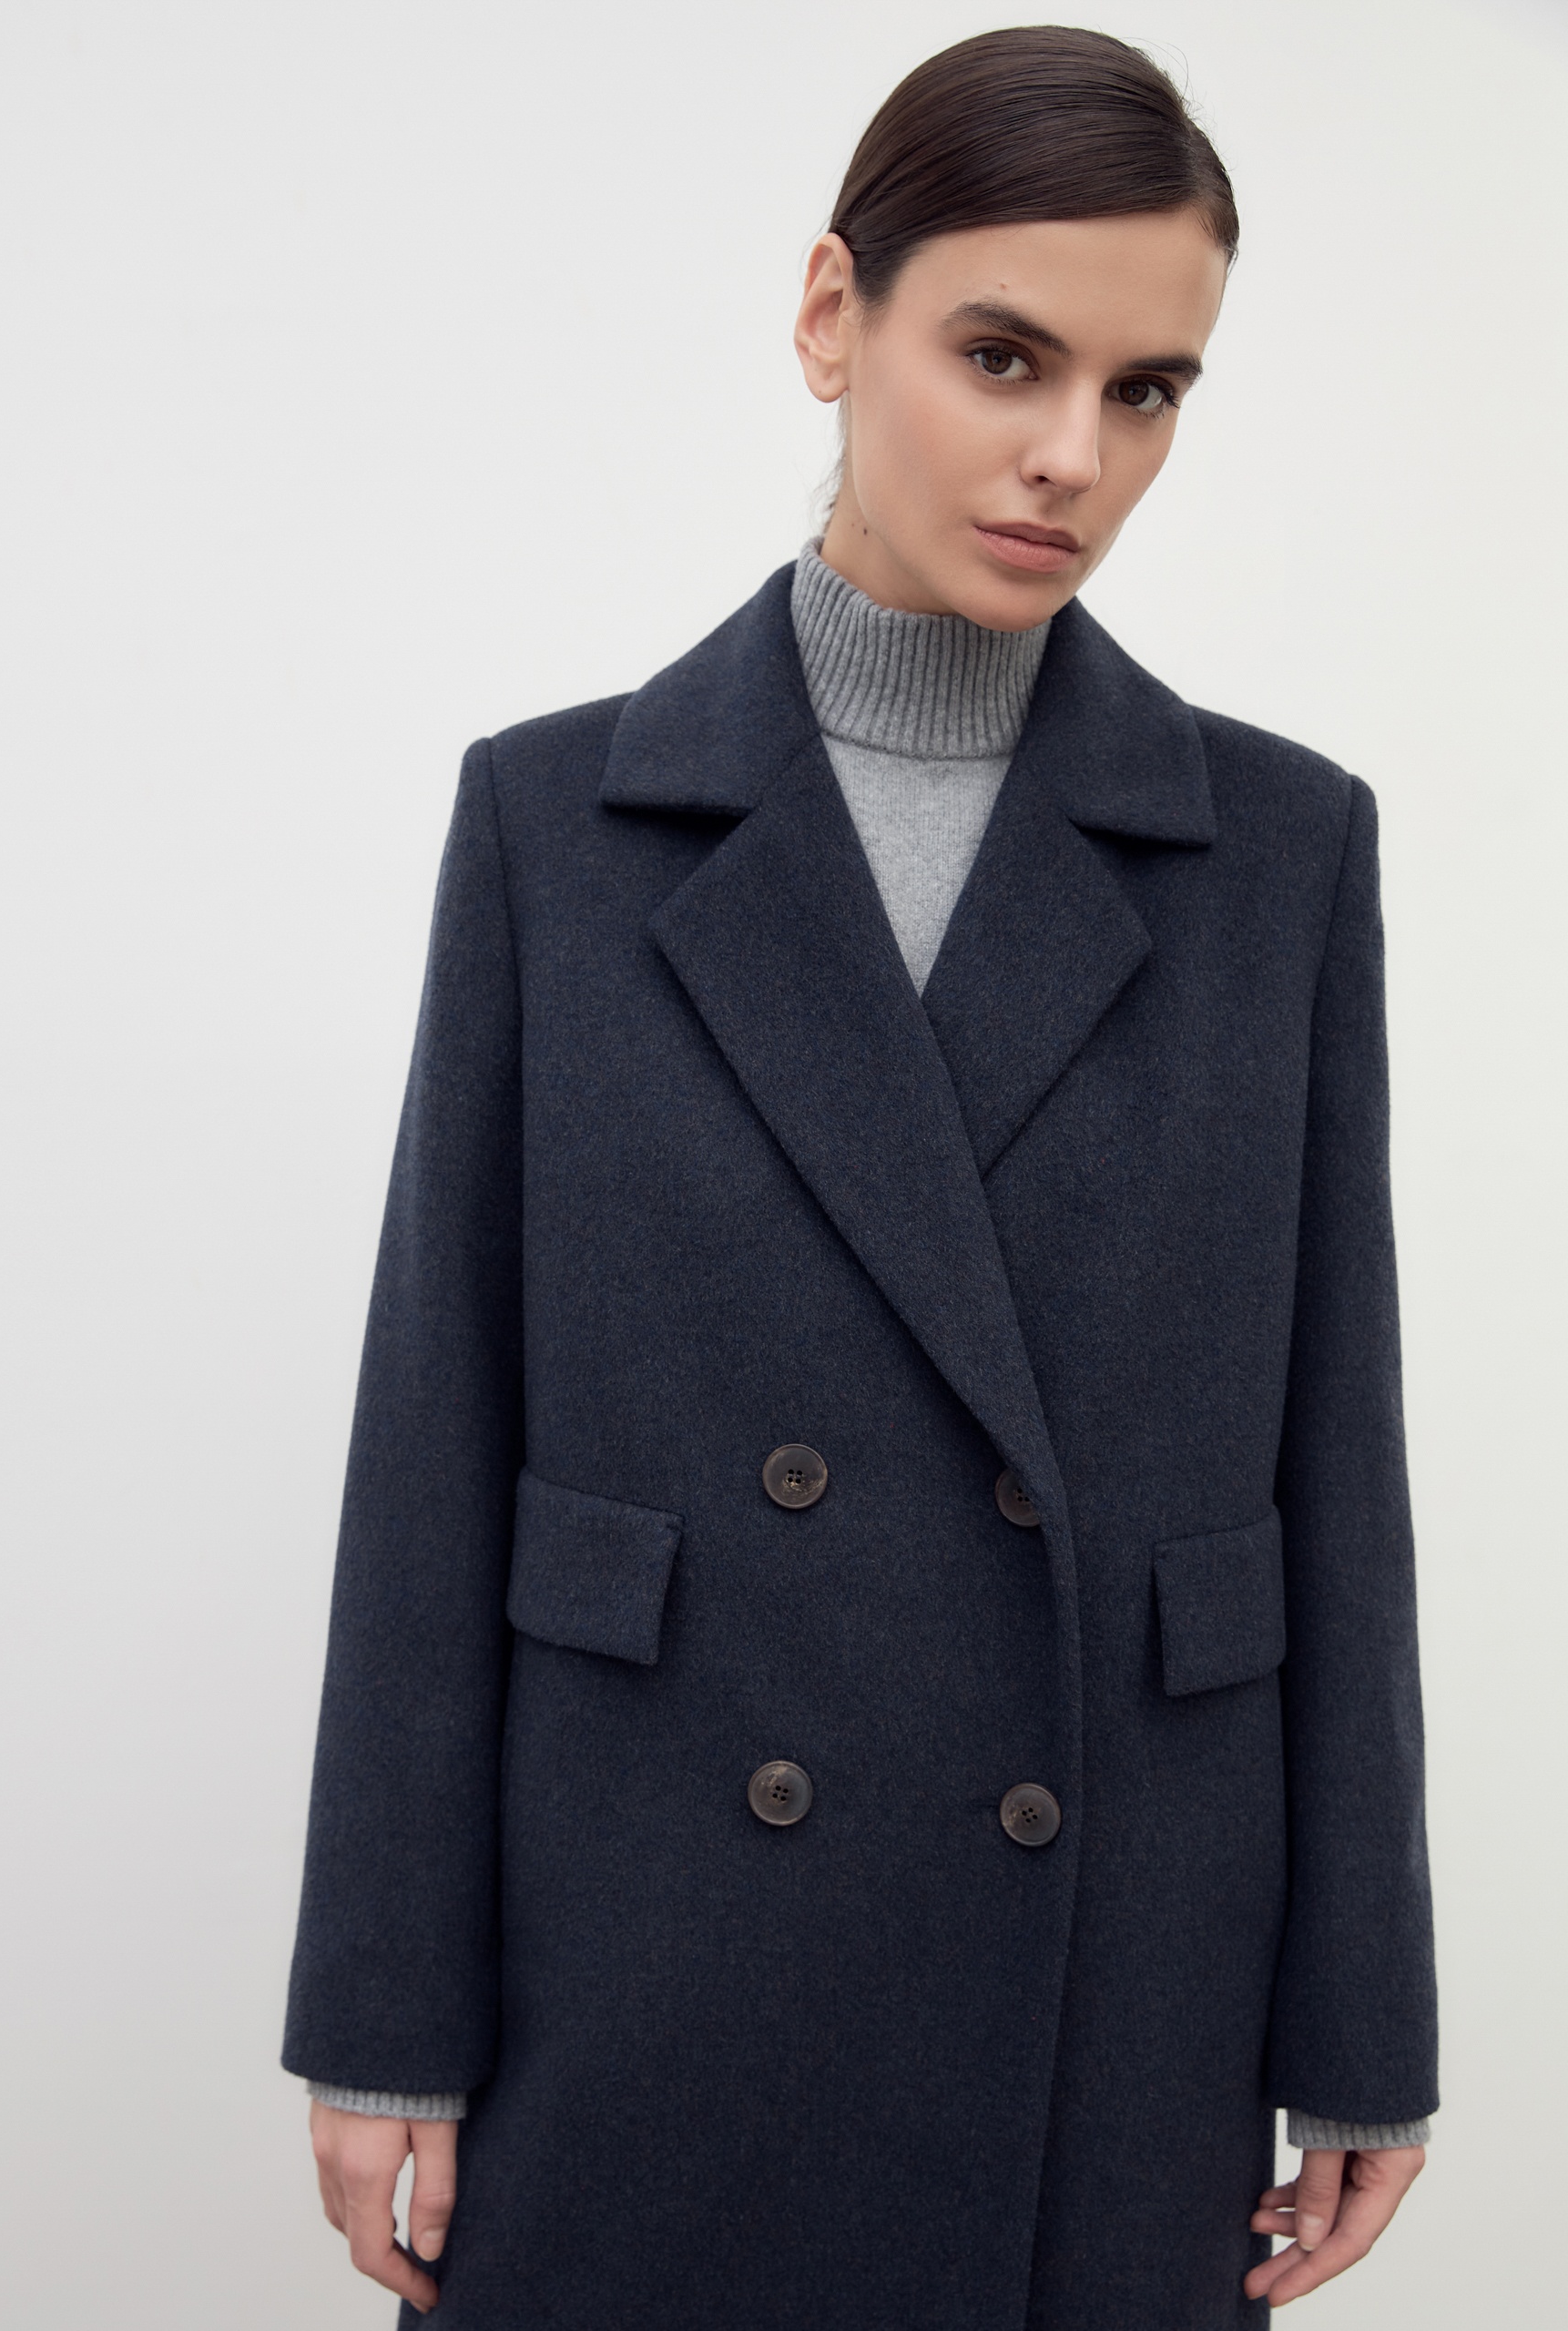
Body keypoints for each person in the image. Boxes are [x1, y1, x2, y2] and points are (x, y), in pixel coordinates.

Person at [282, 27, 1437, 2326]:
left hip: (1119, 1974)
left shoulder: (1278, 851)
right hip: (647, 1949)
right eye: (1004, 355)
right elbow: (433, 1443)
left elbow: (1338, 1470)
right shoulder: (558, 827)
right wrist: (383, 2010)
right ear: (834, 316)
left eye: (1146, 390)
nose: (1073, 453)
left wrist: (1363, 2020)